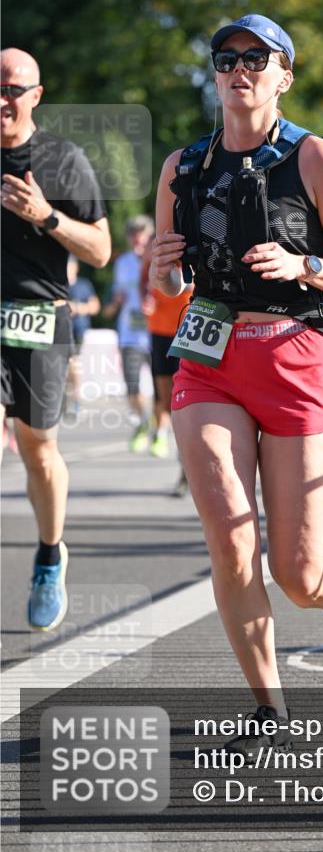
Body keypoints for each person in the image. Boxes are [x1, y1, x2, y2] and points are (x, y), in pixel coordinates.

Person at [149, 13, 323, 754]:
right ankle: (268, 710)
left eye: (258, 57)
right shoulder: (182, 168)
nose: (239, 68)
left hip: (296, 356)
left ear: (284, 75)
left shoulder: (313, 157)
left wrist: (305, 267)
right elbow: (166, 281)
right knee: (229, 536)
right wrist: (164, 267)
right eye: (226, 57)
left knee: (295, 571)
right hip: (210, 357)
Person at [0, 47, 110, 629]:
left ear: (36, 95)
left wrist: (46, 216)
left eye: (13, 88)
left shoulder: (63, 159)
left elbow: (100, 248)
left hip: (39, 317)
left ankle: (49, 553)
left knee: (38, 450)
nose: (2, 99)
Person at [140, 236, 193, 491]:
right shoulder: (155, 243)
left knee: (187, 403)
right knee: (167, 402)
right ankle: (184, 457)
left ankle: (187, 468)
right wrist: (145, 299)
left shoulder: (193, 237)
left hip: (188, 331)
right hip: (159, 330)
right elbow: (144, 278)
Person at [103, 216, 154, 451]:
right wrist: (115, 302)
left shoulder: (159, 260)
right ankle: (144, 421)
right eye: (133, 234)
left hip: (158, 333)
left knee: (163, 390)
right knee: (132, 387)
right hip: (130, 334)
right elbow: (116, 298)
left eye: (141, 233)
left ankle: (160, 429)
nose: (136, 238)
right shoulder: (122, 263)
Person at [65, 254, 101, 416]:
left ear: (75, 267)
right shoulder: (58, 284)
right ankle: (66, 399)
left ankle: (77, 400)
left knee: (73, 363)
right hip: (60, 330)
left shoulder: (83, 285)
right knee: (62, 366)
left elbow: (95, 306)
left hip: (78, 330)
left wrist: (78, 308)